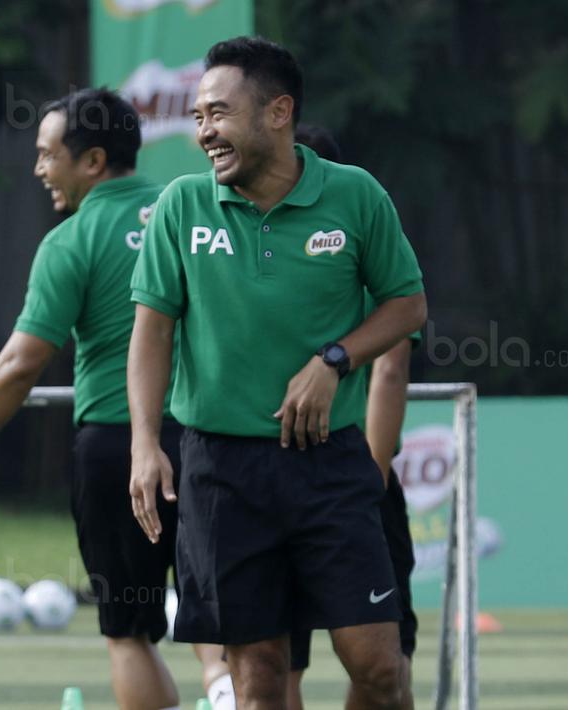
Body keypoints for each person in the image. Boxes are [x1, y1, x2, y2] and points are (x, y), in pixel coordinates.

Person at [126, 36, 425, 709]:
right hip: (220, 471)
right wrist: (146, 444)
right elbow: (151, 333)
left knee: (380, 667)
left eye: (218, 114)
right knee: (258, 679)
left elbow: (407, 305)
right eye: (197, 116)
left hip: (329, 464)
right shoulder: (180, 205)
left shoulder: (355, 196)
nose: (203, 132)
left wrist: (334, 360)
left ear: (278, 112)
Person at [0, 88, 233, 710]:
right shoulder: (198, 217)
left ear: (92, 161)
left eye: (46, 154)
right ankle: (224, 697)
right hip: (209, 441)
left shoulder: (73, 240)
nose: (38, 169)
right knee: (216, 621)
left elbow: (19, 365)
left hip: (118, 449)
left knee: (128, 632)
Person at [285, 124, 419, 709]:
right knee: (386, 664)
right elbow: (390, 372)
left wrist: (373, 474)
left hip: (285, 472)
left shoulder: (264, 254)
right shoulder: (365, 247)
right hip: (352, 473)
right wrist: (374, 473)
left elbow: (389, 370)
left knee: (275, 664)